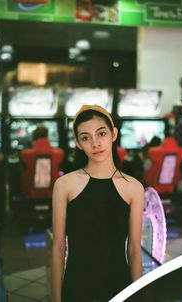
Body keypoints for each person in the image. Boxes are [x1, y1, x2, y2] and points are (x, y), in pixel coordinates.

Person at [51, 105, 144, 302]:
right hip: (77, 286)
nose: (95, 143)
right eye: (85, 137)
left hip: (119, 286)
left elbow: (134, 249)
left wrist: (139, 296)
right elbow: (58, 247)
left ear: (114, 134)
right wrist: (56, 299)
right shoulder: (65, 185)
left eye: (101, 133)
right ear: (77, 143)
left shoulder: (133, 188)